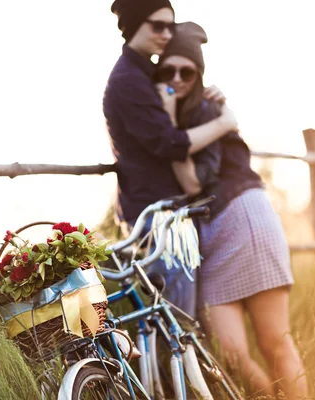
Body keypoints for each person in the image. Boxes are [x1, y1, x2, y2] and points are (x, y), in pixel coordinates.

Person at [155, 21, 309, 399]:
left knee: (275, 342)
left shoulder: (207, 110)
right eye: (168, 70)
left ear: (199, 72)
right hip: (211, 235)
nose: (177, 78)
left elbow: (192, 182)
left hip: (244, 219)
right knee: (230, 354)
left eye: (186, 70)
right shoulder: (179, 111)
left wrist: (170, 121)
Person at [103, 0, 237, 318]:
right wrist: (224, 123)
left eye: (171, 26)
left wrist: (208, 93)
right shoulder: (128, 80)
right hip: (152, 216)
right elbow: (171, 143)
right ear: (135, 25)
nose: (166, 34)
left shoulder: (147, 71)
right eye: (157, 25)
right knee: (177, 321)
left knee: (177, 322)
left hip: (167, 214)